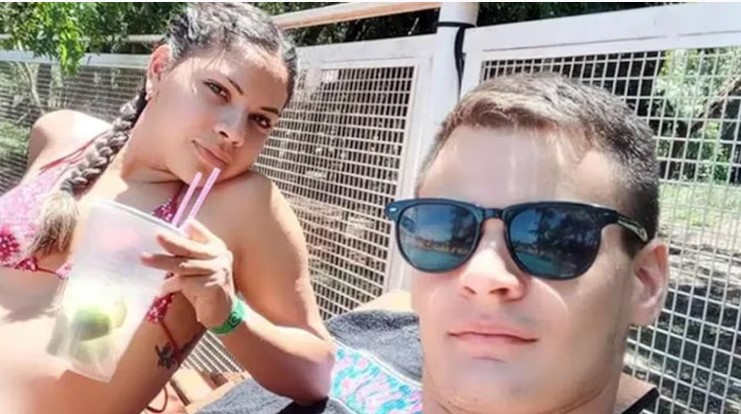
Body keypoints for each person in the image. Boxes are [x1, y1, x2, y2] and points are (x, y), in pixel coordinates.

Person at [197, 72, 669, 414]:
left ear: (645, 282)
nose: (483, 275)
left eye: (554, 236)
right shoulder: (377, 333)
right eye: (447, 229)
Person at [0, 3, 335, 414]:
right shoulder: (62, 136)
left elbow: (317, 374)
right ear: (159, 68)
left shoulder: (242, 206)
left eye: (260, 121)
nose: (234, 132)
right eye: (218, 90)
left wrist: (227, 313)